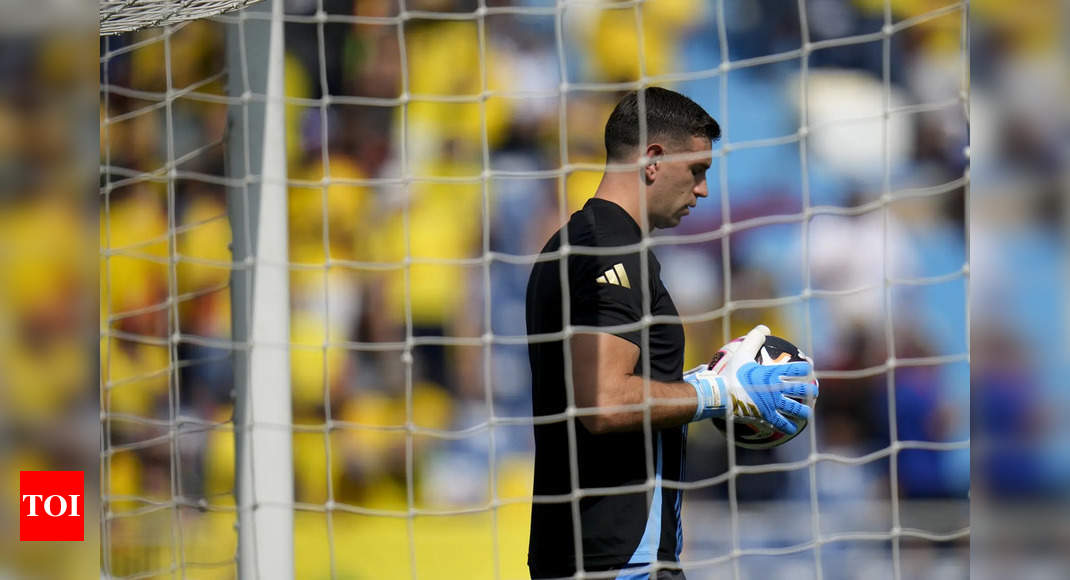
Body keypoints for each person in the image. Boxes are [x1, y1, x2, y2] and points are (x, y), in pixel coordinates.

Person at [525, 87, 818, 579]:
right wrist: (716, 392)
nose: (703, 190)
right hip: (617, 560)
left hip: (589, 553)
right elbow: (603, 400)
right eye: (698, 171)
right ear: (654, 160)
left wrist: (704, 379)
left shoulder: (577, 241)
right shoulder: (612, 251)